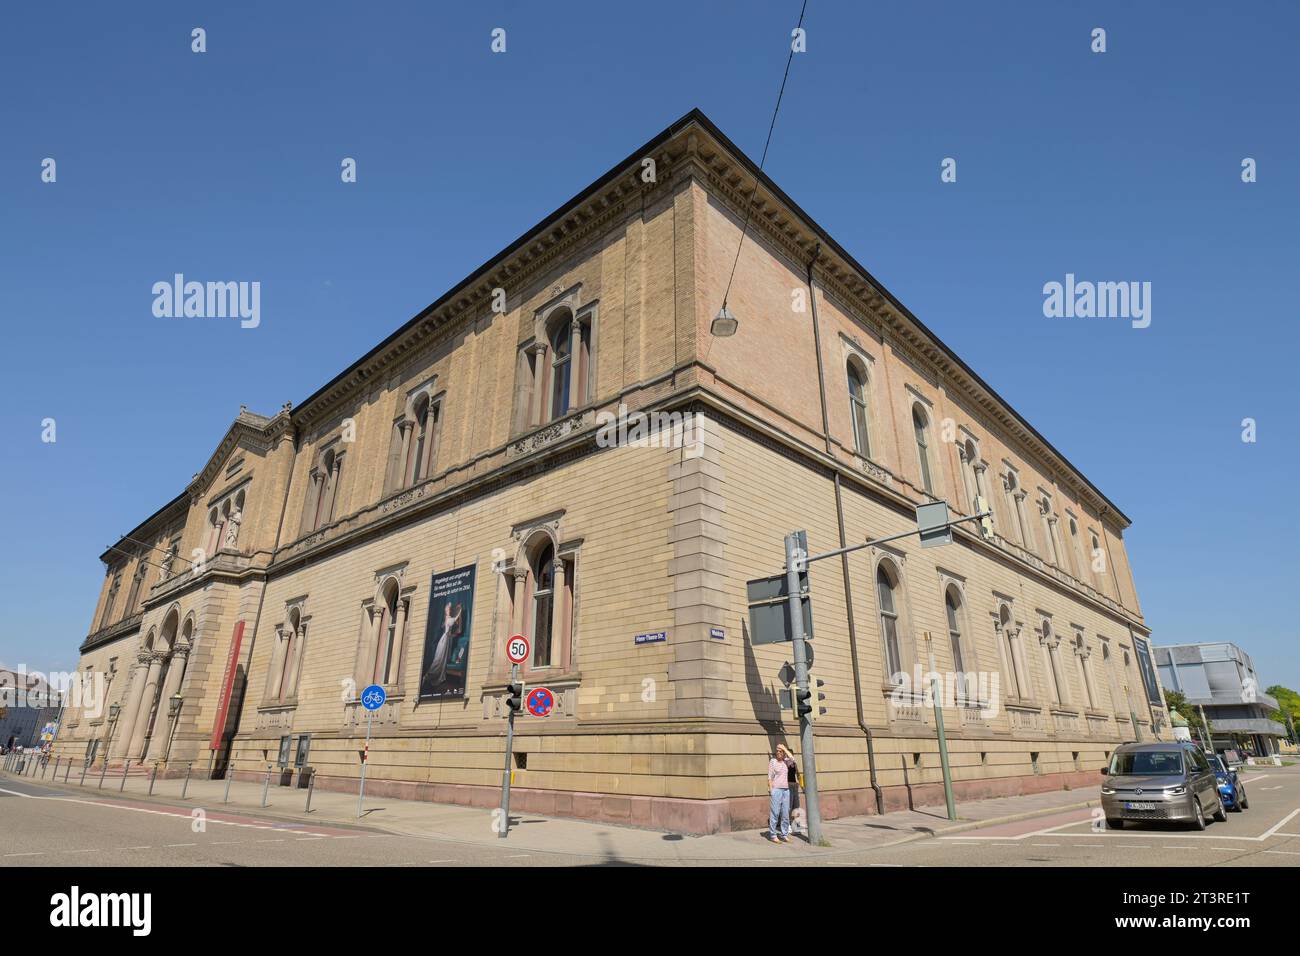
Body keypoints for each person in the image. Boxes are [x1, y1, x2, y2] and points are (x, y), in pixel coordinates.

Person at [767, 743, 797, 843]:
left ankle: (784, 834)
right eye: (777, 751)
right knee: (775, 813)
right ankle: (773, 834)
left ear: (784, 753)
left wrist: (784, 748)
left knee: (785, 813)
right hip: (776, 790)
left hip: (786, 790)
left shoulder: (786, 762)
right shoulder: (773, 761)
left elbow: (793, 759)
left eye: (780, 751)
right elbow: (770, 777)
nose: (778, 753)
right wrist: (771, 790)